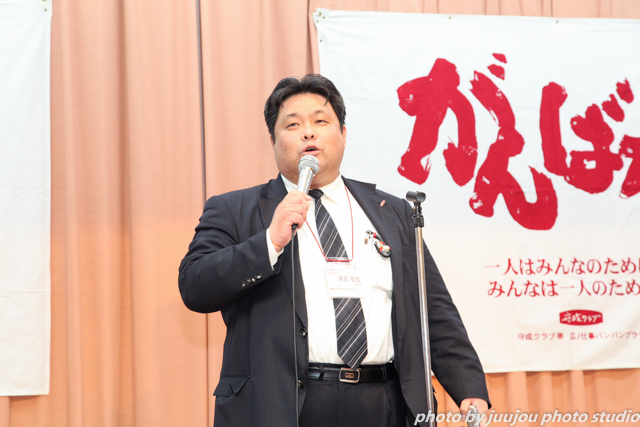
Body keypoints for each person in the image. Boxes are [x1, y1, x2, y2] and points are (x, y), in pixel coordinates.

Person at [179, 74, 490, 427]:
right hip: (284, 404)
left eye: (320, 121)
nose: (308, 133)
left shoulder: (393, 212)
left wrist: (468, 388)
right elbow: (195, 286)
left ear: (343, 133)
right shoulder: (235, 209)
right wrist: (268, 243)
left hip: (384, 400)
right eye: (293, 124)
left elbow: (431, 306)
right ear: (273, 140)